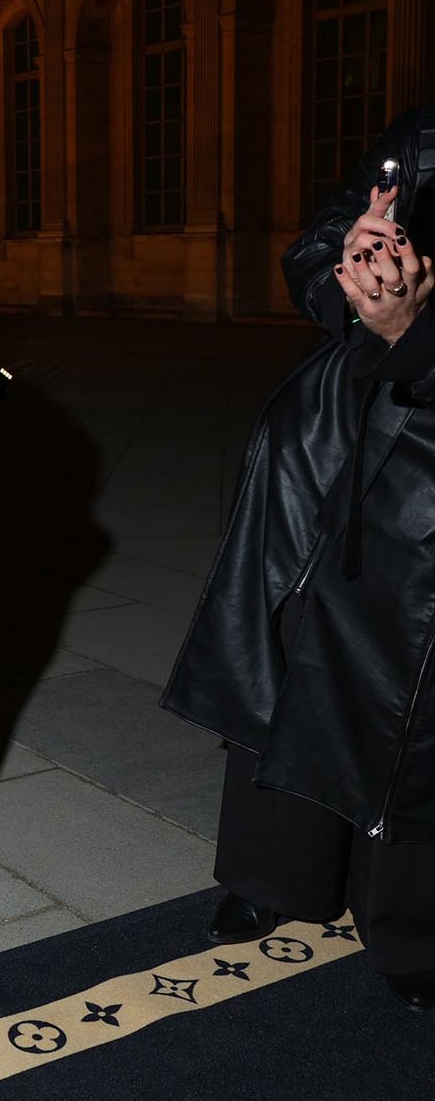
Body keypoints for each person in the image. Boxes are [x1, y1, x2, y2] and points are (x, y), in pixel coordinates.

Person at [162, 103, 435, 1011]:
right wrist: (349, 272)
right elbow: (316, 246)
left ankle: (407, 921)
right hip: (331, 439)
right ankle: (270, 872)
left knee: (413, 696)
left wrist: (415, 330)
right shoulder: (423, 135)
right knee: (287, 646)